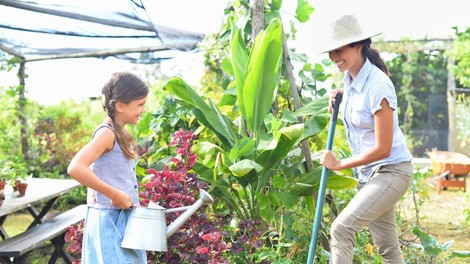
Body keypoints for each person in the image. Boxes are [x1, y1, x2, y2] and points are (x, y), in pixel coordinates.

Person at [317, 14, 414, 263]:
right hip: (371, 176)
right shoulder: (350, 80)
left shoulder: (378, 85)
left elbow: (383, 148)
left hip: (391, 172)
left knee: (342, 229)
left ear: (358, 45)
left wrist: (338, 164)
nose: (334, 57)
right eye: (331, 51)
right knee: (388, 248)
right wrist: (340, 96)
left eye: (339, 50)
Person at [67, 71, 149, 263]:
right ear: (120, 105)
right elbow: (76, 167)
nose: (143, 110)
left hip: (120, 217)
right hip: (108, 218)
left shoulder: (121, 132)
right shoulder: (107, 133)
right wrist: (114, 194)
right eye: (140, 104)